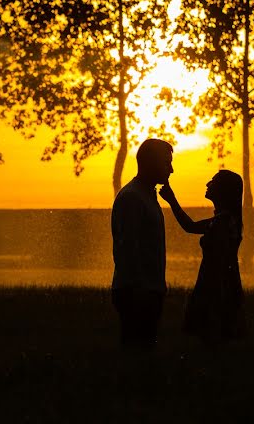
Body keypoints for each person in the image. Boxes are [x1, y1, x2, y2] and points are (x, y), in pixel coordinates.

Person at [159, 170, 247, 343]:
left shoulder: (222, 222)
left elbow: (191, 228)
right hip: (223, 283)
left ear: (223, 190)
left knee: (213, 336)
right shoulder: (225, 220)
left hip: (216, 284)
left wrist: (172, 200)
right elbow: (190, 226)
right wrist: (171, 199)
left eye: (213, 181)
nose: (208, 184)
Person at [110, 138, 173, 351]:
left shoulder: (144, 195)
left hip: (147, 288)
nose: (171, 170)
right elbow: (127, 248)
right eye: (167, 163)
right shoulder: (132, 198)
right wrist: (140, 289)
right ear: (151, 163)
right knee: (138, 352)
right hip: (137, 291)